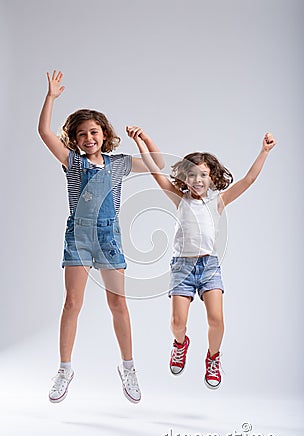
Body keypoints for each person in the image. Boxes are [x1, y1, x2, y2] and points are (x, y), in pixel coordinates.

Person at [38, 70, 164, 404]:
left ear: (104, 133)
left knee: (117, 303)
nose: (88, 138)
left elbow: (158, 165)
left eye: (94, 131)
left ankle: (129, 367)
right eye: (82, 134)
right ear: (75, 140)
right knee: (72, 303)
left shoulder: (119, 163)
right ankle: (64, 369)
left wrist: (144, 140)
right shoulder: (73, 163)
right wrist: (50, 97)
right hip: (78, 237)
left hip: (109, 238)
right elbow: (43, 132)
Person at [126, 126, 276, 389]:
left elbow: (248, 180)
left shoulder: (218, 201)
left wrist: (263, 151)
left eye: (203, 175)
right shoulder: (179, 198)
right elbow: (153, 169)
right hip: (182, 267)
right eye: (192, 174)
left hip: (209, 266)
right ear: (184, 178)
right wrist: (142, 142)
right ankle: (181, 344)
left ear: (212, 178)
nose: (197, 180)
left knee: (216, 320)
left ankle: (213, 358)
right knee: (177, 323)